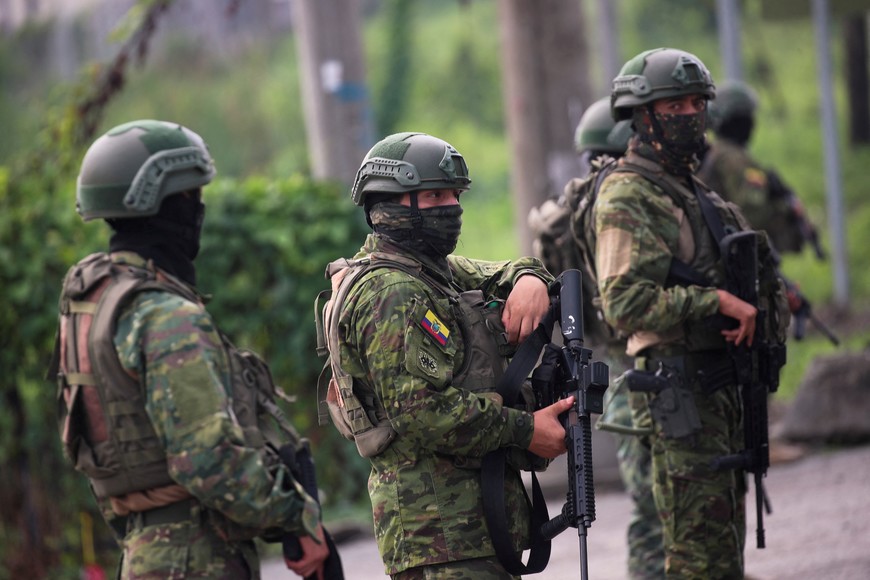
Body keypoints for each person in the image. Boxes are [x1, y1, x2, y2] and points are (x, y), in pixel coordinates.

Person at [50, 119, 331, 579]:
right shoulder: (165, 315)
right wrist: (295, 515)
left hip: (142, 550)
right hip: (195, 556)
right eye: (192, 197)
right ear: (167, 204)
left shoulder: (92, 303)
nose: (198, 209)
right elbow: (209, 460)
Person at [318, 131, 573, 579]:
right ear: (391, 205)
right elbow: (422, 412)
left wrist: (530, 278)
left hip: (470, 533)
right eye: (435, 195)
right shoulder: (391, 292)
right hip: (441, 539)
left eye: (455, 195)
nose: (451, 208)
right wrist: (526, 429)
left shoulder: (433, 271)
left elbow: (502, 271)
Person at [594, 49, 790, 578]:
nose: (688, 115)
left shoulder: (691, 189)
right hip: (681, 391)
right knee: (698, 555)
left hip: (719, 390)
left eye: (695, 103)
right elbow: (624, 302)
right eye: (673, 104)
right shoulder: (630, 193)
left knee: (724, 550)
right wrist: (714, 301)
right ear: (643, 115)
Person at [565, 96, 665, 579]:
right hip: (642, 369)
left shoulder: (572, 207)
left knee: (654, 504)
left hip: (616, 371)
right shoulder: (621, 201)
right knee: (658, 505)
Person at [698, 80, 823, 259]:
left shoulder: (720, 152)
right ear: (738, 119)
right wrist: (783, 207)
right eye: (748, 116)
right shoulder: (733, 158)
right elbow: (753, 213)